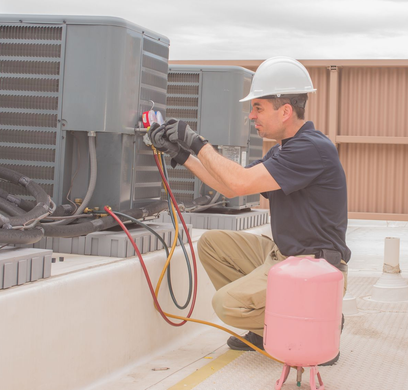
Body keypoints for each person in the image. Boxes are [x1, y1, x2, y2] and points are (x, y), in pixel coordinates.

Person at [148, 56, 350, 365]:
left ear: (285, 111)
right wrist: (180, 154)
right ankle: (270, 327)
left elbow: (238, 182)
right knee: (213, 245)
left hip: (313, 268)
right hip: (285, 256)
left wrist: (197, 142)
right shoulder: (284, 150)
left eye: (258, 108)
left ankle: (321, 327)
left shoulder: (311, 149)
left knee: (225, 305)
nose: (251, 116)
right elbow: (229, 187)